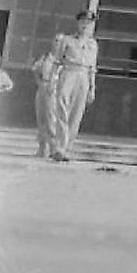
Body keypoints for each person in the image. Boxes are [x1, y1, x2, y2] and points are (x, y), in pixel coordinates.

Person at [48, 10, 98, 162]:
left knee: (77, 113)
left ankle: (66, 149)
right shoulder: (67, 40)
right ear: (78, 23)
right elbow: (57, 61)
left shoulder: (93, 44)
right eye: (83, 22)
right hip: (69, 72)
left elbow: (92, 68)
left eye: (88, 23)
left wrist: (92, 88)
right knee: (63, 108)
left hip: (84, 77)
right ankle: (59, 147)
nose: (85, 25)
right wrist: (52, 80)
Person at [32, 50, 56, 156]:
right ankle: (42, 147)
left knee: (51, 117)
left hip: (54, 88)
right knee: (41, 116)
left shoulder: (62, 59)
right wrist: (38, 81)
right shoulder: (46, 57)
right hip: (43, 85)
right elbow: (35, 69)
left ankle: (53, 147)